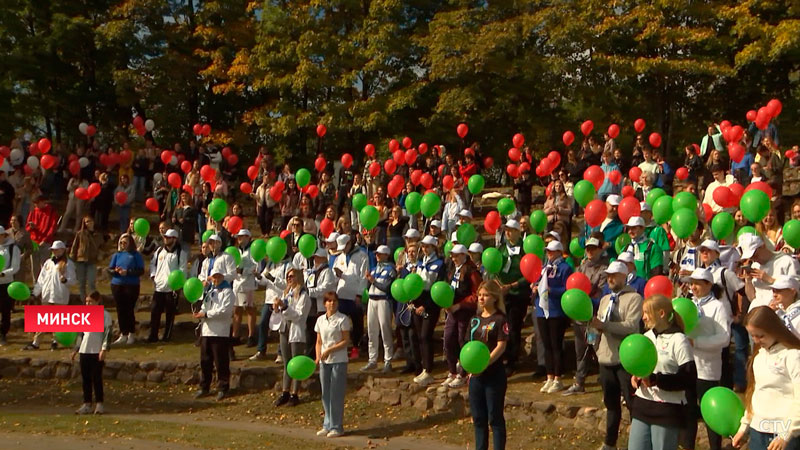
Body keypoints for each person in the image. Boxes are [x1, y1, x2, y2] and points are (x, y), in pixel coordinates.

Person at [628, 294, 696, 450]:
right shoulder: (646, 337)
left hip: (667, 409)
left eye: (647, 312)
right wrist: (635, 376)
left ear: (661, 313)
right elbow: (641, 366)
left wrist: (656, 380)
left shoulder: (679, 340)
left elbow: (688, 378)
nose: (643, 317)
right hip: (642, 405)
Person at [591, 260, 643, 450]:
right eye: (608, 276)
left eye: (613, 275)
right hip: (606, 357)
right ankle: (609, 443)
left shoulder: (634, 298)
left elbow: (631, 326)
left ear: (623, 276)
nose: (610, 279)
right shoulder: (605, 299)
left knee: (632, 404)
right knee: (611, 403)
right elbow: (600, 325)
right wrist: (593, 328)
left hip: (625, 359)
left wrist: (605, 326)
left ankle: (639, 443)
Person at [732, 306, 800, 450]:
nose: (756, 341)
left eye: (761, 336)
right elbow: (756, 393)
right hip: (758, 430)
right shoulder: (759, 356)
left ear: (774, 330)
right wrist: (744, 427)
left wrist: (786, 434)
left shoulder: (792, 355)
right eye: (752, 336)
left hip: (784, 430)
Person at [681, 268, 731, 450]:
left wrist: (697, 342)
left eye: (698, 283)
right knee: (689, 412)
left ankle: (715, 447)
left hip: (708, 369)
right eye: (691, 283)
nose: (693, 287)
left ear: (709, 285)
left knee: (710, 412)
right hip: (688, 365)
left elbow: (724, 338)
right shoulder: (688, 304)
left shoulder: (717, 306)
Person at [564, 235, 608, 396]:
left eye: (593, 248)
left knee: (598, 350)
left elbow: (600, 292)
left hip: (594, 317)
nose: (590, 251)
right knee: (580, 350)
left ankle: (605, 382)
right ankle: (579, 381)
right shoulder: (582, 267)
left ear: (599, 249)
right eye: (588, 248)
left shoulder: (604, 269)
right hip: (579, 317)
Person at [468, 280, 508, 450]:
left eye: (485, 295)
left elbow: (501, 345)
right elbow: (468, 346)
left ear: (494, 297)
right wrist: (469, 368)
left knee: (494, 417)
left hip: (494, 375)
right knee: (478, 418)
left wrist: (485, 363)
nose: (481, 298)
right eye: (480, 295)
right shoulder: (474, 320)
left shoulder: (500, 319)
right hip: (476, 376)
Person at [533, 240, 572, 393]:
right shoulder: (544, 268)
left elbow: (566, 289)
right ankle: (549, 376)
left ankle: (558, 377)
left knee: (556, 345)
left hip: (556, 311)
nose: (548, 254)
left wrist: (550, 290)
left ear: (558, 252)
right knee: (546, 345)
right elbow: (537, 281)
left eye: (551, 251)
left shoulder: (564, 268)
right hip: (542, 310)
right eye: (547, 251)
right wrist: (535, 287)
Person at [23, 240, 76, 350]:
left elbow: (73, 280)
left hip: (59, 295)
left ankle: (55, 341)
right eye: (53, 250)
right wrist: (35, 293)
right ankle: (36, 343)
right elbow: (41, 280)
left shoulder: (68, 264)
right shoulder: (48, 263)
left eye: (57, 250)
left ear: (62, 250)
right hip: (47, 295)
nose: (55, 252)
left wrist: (65, 280)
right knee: (43, 320)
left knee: (58, 321)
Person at [193, 268, 235, 401]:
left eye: (218, 277)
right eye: (213, 277)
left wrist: (206, 314)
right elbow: (205, 307)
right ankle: (204, 386)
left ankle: (223, 387)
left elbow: (224, 311)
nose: (215, 280)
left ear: (223, 277)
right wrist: (200, 313)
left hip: (220, 332)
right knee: (205, 361)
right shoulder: (210, 291)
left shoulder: (228, 292)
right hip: (207, 331)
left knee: (221, 361)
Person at [442, 244, 480, 388]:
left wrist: (460, 305)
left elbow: (476, 294)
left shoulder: (472, 271)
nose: (453, 258)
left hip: (465, 312)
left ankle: (462, 374)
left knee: (462, 340)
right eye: (452, 255)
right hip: (452, 310)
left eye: (456, 255)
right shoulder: (453, 269)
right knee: (448, 339)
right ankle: (452, 371)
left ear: (464, 255)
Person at [315, 291, 352, 439]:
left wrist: (330, 350)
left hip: (338, 360)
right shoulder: (320, 320)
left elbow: (345, 340)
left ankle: (337, 426)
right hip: (325, 362)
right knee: (326, 394)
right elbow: (318, 341)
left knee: (336, 394)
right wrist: (318, 357)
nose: (332, 303)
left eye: (334, 301)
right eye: (329, 301)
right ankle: (327, 423)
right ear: (324, 303)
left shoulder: (342, 319)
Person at [274, 267, 311, 407]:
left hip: (296, 330)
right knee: (286, 362)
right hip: (284, 329)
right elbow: (281, 314)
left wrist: (284, 308)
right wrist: (277, 308)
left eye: (292, 276)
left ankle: (295, 394)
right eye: (288, 276)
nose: (289, 279)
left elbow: (299, 316)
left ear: (299, 277)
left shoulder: (303, 295)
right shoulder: (286, 293)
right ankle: (285, 392)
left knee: (296, 363)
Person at [72, 291, 113, 415]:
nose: (88, 304)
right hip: (85, 350)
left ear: (97, 301)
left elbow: (107, 333)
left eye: (91, 301)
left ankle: (99, 403)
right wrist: (76, 349)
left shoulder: (105, 315)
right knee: (86, 378)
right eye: (86, 301)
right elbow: (81, 334)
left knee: (96, 377)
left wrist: (104, 349)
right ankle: (87, 403)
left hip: (97, 350)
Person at [411, 235, 445, 386]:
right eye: (423, 246)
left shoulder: (439, 264)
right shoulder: (419, 262)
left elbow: (437, 288)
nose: (424, 249)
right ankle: (422, 368)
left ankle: (428, 370)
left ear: (433, 248)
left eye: (427, 246)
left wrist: (426, 305)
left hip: (430, 303)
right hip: (417, 302)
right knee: (419, 336)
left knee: (426, 335)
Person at [497, 219, 528, 375]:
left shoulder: (524, 249)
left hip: (518, 293)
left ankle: (512, 360)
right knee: (503, 326)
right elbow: (494, 267)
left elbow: (529, 273)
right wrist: (500, 285)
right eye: (506, 230)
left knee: (514, 326)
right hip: (503, 293)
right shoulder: (502, 248)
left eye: (511, 230)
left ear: (518, 232)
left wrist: (512, 285)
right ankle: (503, 356)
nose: (507, 232)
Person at [251, 250, 292, 363]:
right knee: (263, 323)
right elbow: (264, 282)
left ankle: (280, 353)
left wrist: (273, 279)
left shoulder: (288, 265)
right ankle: (261, 351)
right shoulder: (270, 264)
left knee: (281, 327)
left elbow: (288, 284)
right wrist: (259, 277)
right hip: (269, 299)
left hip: (281, 300)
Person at [740, 233, 800, 310]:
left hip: (779, 313)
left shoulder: (787, 261)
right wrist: (748, 280)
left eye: (756, 255)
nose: (754, 259)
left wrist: (769, 279)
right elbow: (752, 297)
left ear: (763, 246)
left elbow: (796, 290)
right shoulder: (755, 266)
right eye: (751, 258)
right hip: (757, 312)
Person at [333, 234, 368, 360]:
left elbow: (363, 277)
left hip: (354, 295)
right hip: (341, 294)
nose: (343, 249)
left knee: (357, 322)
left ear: (350, 243)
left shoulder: (362, 256)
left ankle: (356, 346)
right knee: (340, 322)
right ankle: (341, 346)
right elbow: (334, 275)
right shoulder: (339, 257)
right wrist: (337, 276)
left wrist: (359, 294)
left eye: (345, 247)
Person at [148, 229, 187, 342]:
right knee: (155, 311)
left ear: (174, 239)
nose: (166, 239)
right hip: (159, 287)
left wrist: (178, 285)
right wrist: (153, 276)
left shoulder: (180, 253)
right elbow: (152, 264)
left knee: (170, 314)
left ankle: (167, 336)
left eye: (168, 237)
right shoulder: (159, 251)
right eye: (165, 237)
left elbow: (183, 270)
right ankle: (153, 335)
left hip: (172, 288)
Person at [362, 245, 396, 373]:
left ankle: (388, 360)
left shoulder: (390, 269)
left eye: (380, 254)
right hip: (372, 300)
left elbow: (386, 287)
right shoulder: (375, 268)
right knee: (372, 331)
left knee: (385, 330)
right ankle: (372, 360)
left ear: (386, 255)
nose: (377, 256)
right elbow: (368, 286)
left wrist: (373, 280)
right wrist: (368, 280)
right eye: (376, 254)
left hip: (383, 301)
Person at [108, 234, 145, 345]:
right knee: (120, 310)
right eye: (121, 243)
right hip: (117, 284)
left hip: (131, 285)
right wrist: (116, 271)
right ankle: (123, 333)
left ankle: (131, 333)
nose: (123, 245)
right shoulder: (117, 255)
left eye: (125, 243)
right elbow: (110, 269)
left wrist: (127, 272)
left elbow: (141, 270)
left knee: (129, 309)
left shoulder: (136, 255)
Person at [304, 247, 337, 358]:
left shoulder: (327, 272)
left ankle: (322, 355)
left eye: (318, 258)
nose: (315, 260)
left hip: (320, 309)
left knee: (321, 334)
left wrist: (309, 292)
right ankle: (310, 356)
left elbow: (324, 289)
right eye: (314, 258)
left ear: (324, 259)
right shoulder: (312, 272)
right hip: (310, 308)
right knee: (310, 334)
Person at [232, 229, 258, 348]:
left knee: (249, 309)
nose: (239, 238)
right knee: (236, 310)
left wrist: (243, 271)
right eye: (238, 236)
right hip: (237, 283)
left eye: (242, 236)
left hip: (247, 284)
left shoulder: (252, 251)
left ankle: (251, 336)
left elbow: (255, 267)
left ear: (248, 237)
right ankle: (235, 335)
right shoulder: (236, 250)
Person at [70, 216, 103, 299]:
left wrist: (101, 255)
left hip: (92, 261)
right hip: (80, 260)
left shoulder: (98, 235)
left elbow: (103, 247)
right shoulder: (80, 234)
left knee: (91, 282)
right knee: (81, 283)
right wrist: (72, 259)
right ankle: (84, 302)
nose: (89, 223)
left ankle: (93, 301)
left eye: (90, 221)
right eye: (87, 222)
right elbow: (74, 247)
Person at [26, 195, 59, 277]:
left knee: (45, 265)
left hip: (45, 242)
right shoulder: (33, 211)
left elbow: (52, 228)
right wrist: (31, 227)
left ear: (43, 202)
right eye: (34, 204)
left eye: (37, 203)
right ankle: (36, 286)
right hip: (34, 241)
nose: (36, 205)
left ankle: (45, 285)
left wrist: (45, 240)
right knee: (34, 266)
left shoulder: (51, 212)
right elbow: (27, 226)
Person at [0, 226, 21, 346]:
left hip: (6, 283)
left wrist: (3, 274)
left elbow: (15, 267)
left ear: (4, 235)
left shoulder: (13, 248)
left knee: (5, 309)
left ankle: (3, 333)